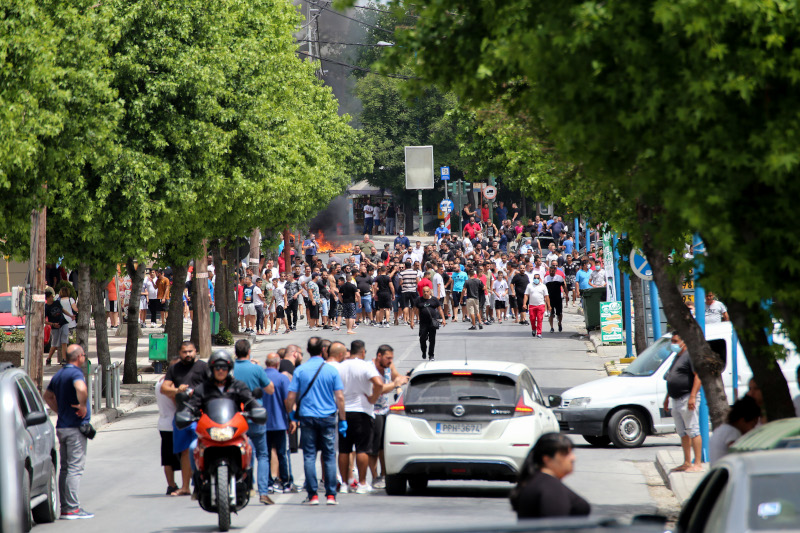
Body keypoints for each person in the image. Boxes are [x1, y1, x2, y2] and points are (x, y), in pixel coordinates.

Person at [285, 337, 346, 505]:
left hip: (307, 418)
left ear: (308, 350)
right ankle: (331, 494)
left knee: (310, 455)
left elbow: (290, 397)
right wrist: (342, 419)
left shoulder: (301, 370)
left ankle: (312, 495)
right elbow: (340, 397)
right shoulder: (331, 371)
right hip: (327, 418)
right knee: (329, 456)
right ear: (323, 351)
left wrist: (290, 414)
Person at [42, 344, 94, 519]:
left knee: (65, 469)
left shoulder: (60, 374)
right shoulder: (76, 373)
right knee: (74, 469)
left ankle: (66, 508)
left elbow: (47, 396)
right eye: (84, 356)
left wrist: (60, 411)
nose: (84, 358)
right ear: (79, 356)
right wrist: (82, 405)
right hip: (74, 428)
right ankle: (72, 508)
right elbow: (81, 388)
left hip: (63, 426)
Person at [330, 341, 382, 493]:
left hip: (344, 411)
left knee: (344, 449)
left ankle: (345, 483)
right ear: (363, 352)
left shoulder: (340, 367)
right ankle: (362, 483)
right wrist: (373, 398)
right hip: (362, 410)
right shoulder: (366, 366)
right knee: (362, 449)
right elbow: (378, 384)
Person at [160, 341, 208, 496]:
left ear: (196, 351)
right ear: (180, 353)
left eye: (190, 351)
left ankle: (204, 483)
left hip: (201, 415)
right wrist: (176, 390)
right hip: (182, 415)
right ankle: (186, 486)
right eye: (184, 352)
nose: (188, 354)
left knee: (202, 449)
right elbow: (164, 388)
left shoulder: (203, 367)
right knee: (185, 452)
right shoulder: (175, 368)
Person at [232, 340, 275, 504]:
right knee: (263, 455)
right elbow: (270, 389)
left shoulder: (229, 369)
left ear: (235, 352)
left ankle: (247, 486)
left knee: (241, 453)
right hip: (255, 416)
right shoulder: (256, 369)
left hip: (236, 418)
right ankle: (263, 492)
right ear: (249, 351)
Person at [509, 433, 590, 519]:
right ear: (547, 459)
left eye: (571, 452)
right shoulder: (551, 488)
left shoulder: (535, 482)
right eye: (565, 454)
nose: (573, 458)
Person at [663, 332, 703, 472]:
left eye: (675, 341)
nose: (673, 344)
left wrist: (692, 396)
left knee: (693, 430)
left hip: (687, 398)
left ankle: (697, 463)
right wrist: (667, 397)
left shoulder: (689, 356)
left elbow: (698, 376)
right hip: (675, 399)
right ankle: (687, 462)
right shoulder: (677, 356)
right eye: (672, 341)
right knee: (683, 432)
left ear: (684, 342)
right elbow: (672, 377)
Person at [263, 353, 297, 493]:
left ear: (266, 363)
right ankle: (286, 482)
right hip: (279, 422)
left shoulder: (261, 377)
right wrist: (292, 418)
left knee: (266, 455)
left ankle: (268, 483)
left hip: (263, 423)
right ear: (277, 364)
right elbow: (287, 401)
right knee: (282, 453)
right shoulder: (282, 378)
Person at [155, 359, 181, 496]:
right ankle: (185, 484)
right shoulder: (171, 386)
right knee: (185, 455)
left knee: (167, 458)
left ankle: (171, 485)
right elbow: (176, 402)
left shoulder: (159, 382)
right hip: (175, 424)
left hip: (163, 423)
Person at [709, 398, 761, 464]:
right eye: (752, 425)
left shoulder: (722, 428)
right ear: (742, 420)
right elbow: (736, 455)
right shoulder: (732, 432)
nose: (753, 429)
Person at [412, 285, 446, 361]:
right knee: (422, 338)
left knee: (432, 339)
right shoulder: (418, 300)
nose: (425, 293)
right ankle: (424, 351)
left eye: (427, 291)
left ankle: (431, 355)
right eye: (424, 291)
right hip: (423, 323)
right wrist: (412, 321)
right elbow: (413, 310)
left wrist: (443, 319)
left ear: (430, 292)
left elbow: (440, 309)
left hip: (432, 322)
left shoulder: (434, 300)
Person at [45, 289, 70, 365]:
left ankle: (64, 359)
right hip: (55, 327)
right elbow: (43, 320)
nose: (52, 298)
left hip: (63, 323)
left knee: (64, 342)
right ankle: (49, 358)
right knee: (55, 345)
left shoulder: (57, 303)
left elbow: (63, 310)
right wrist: (52, 324)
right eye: (51, 297)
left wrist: (70, 315)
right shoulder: (46, 307)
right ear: (47, 298)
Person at [523, 273, 550, 338]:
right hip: (532, 305)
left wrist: (549, 306)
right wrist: (524, 304)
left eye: (537, 278)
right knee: (532, 319)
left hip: (541, 305)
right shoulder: (529, 285)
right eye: (535, 278)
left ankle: (539, 333)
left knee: (540, 319)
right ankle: (533, 329)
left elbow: (546, 296)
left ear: (540, 279)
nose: (536, 279)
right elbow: (526, 295)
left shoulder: (543, 286)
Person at [544, 265, 566, 333]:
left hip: (558, 298)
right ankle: (552, 327)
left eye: (553, 271)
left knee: (559, 313)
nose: (551, 272)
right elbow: (544, 289)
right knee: (551, 313)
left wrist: (566, 294)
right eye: (550, 271)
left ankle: (559, 323)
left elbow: (564, 286)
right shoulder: (546, 279)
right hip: (550, 299)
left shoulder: (559, 278)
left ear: (555, 271)